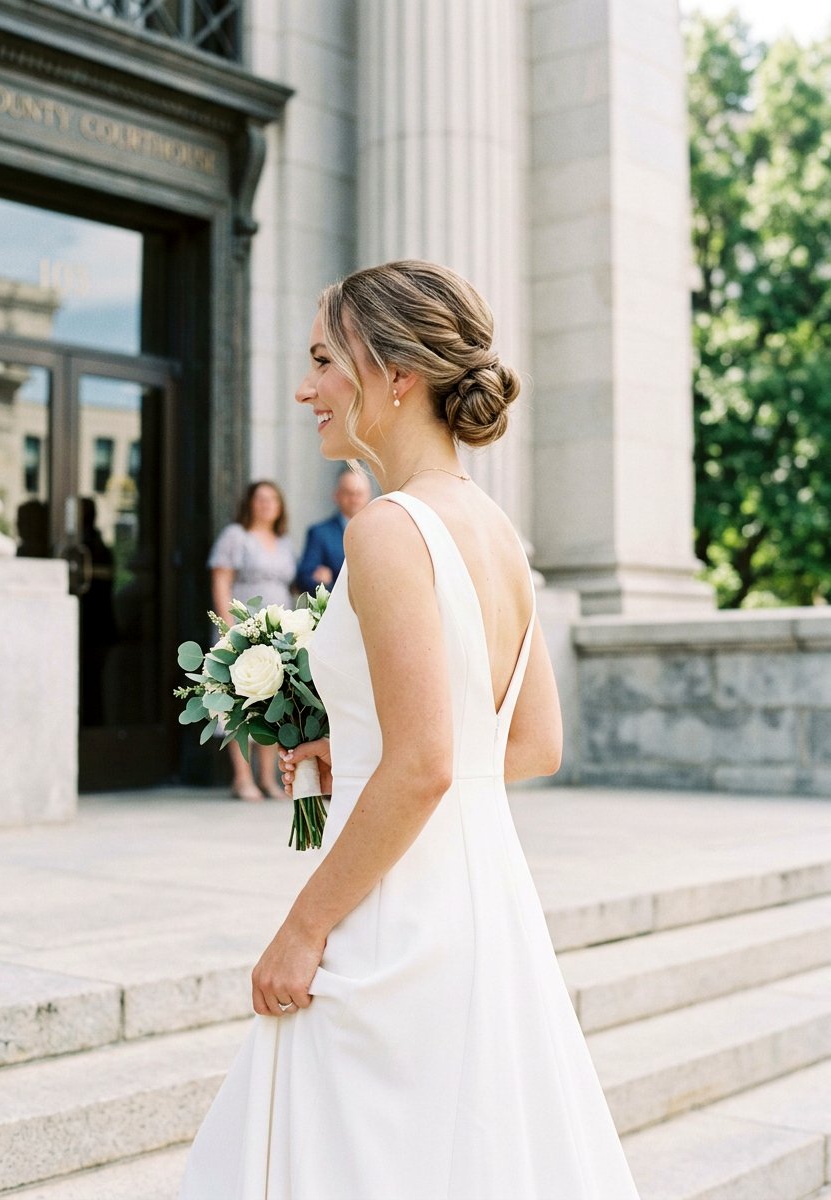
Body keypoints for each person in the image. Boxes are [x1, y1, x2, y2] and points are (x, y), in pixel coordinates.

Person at [180, 262, 641, 1198]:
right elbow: (530, 745)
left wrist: (303, 929)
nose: (305, 388)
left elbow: (427, 761)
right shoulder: (496, 529)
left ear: (396, 375)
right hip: (483, 903)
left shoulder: (388, 528)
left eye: (323, 361)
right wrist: (350, 745)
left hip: (396, 922)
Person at [208, 480, 297, 801]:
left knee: (271, 702)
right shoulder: (236, 535)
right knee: (239, 702)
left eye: (272, 499)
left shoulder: (284, 542)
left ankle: (268, 779)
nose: (266, 504)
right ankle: (242, 778)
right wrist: (227, 628)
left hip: (277, 632)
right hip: (242, 628)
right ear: (250, 503)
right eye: (260, 498)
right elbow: (221, 581)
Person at [294, 467, 372, 593]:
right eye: (348, 493)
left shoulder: (380, 533)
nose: (354, 499)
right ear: (336, 495)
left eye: (359, 494)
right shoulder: (319, 533)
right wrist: (322, 583)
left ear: (369, 496)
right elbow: (304, 578)